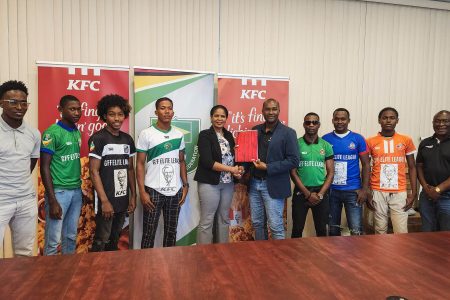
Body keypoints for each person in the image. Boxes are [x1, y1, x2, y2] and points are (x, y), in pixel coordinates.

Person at [136, 97, 188, 248]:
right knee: (148, 233)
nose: (167, 111)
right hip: (153, 191)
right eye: (163, 108)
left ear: (173, 112)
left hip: (175, 191)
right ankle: (145, 267)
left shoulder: (178, 135)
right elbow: (139, 164)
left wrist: (185, 186)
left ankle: (168, 267)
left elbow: (181, 161)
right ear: (156, 112)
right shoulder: (147, 134)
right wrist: (142, 192)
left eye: (169, 108)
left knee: (171, 232)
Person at [88, 94, 136, 252]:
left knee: (115, 239)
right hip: (106, 201)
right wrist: (104, 201)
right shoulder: (98, 138)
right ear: (104, 116)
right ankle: (95, 274)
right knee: (102, 240)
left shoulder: (127, 139)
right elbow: (94, 171)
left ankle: (110, 274)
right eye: (112, 114)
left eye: (120, 114)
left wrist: (133, 196)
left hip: (122, 200)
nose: (117, 118)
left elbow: (130, 169)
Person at [247, 98, 299, 240]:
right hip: (254, 184)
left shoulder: (288, 133)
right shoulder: (255, 130)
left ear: (279, 111)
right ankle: (261, 256)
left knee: (276, 226)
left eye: (274, 109)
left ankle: (279, 260)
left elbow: (294, 160)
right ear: (262, 111)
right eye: (268, 109)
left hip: (274, 185)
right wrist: (240, 151)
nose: (271, 112)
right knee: (257, 224)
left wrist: (268, 167)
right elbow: (249, 156)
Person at [0, 80, 40, 257]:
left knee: (24, 253)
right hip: (1, 200)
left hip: (26, 200)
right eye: (13, 102)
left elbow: (30, 164)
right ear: (1, 103)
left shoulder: (34, 133)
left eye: (24, 102)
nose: (19, 107)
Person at [40, 95, 83, 255]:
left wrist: (79, 190)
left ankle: (67, 274)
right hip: (59, 193)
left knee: (70, 237)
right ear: (60, 110)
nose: (77, 112)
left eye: (79, 109)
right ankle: (49, 278)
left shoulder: (76, 131)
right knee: (53, 241)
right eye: (72, 109)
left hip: (76, 191)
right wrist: (52, 200)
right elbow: (44, 166)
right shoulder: (51, 133)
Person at [194, 105, 242, 244]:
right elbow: (207, 161)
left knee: (224, 218)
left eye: (222, 116)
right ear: (211, 117)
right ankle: (204, 254)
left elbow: (234, 158)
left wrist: (238, 171)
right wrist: (232, 169)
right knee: (207, 220)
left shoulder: (229, 136)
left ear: (226, 118)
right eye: (216, 115)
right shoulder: (204, 135)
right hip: (209, 183)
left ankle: (222, 252)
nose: (219, 119)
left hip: (227, 183)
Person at [366, 107, 417, 234]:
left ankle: (400, 254)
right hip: (378, 190)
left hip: (399, 191)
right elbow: (366, 167)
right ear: (379, 120)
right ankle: (381, 254)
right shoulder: (370, 141)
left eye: (392, 118)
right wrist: (368, 192)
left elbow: (412, 167)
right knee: (380, 229)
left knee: (401, 231)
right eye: (385, 118)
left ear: (397, 121)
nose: (388, 120)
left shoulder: (406, 140)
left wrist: (413, 194)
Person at [323, 108, 370, 236]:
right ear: (332, 120)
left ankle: (356, 256)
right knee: (333, 230)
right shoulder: (325, 139)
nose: (339, 122)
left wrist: (364, 190)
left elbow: (366, 164)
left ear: (348, 120)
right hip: (332, 191)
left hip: (353, 191)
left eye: (343, 119)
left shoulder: (358, 138)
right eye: (336, 119)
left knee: (356, 230)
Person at [290, 113, 334, 237]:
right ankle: (294, 256)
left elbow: (331, 172)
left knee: (321, 230)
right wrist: (307, 194)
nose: (311, 125)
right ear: (304, 124)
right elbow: (292, 172)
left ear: (319, 125)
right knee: (297, 229)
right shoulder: (296, 144)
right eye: (308, 122)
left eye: (314, 122)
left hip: (321, 192)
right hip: (301, 191)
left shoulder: (325, 145)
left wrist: (320, 194)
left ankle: (322, 257)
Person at [416, 110, 450, 231]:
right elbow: (419, 165)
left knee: (446, 233)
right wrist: (425, 187)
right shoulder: (425, 143)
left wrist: (438, 189)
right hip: (427, 195)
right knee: (427, 231)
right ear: (433, 123)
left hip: (447, 196)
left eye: (445, 121)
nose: (441, 124)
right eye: (437, 121)